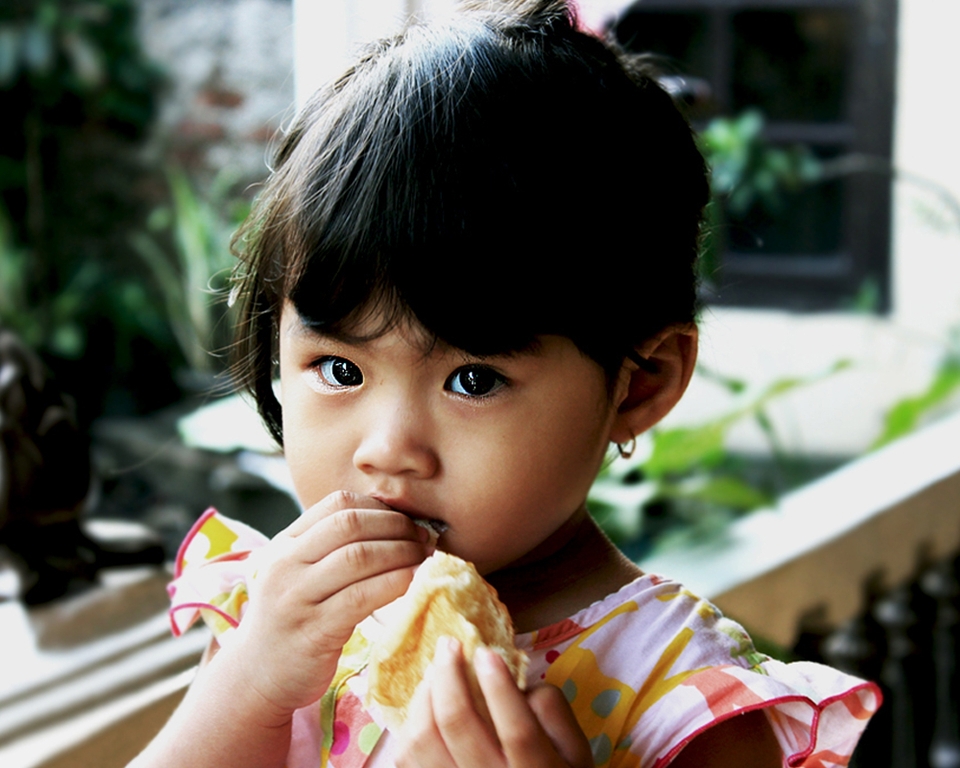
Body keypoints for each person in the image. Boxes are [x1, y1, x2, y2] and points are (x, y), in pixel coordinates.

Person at [132, 2, 880, 766]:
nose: (389, 451)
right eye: (341, 370)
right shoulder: (279, 619)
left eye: (474, 379)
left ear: (639, 384)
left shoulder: (679, 700)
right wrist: (250, 684)